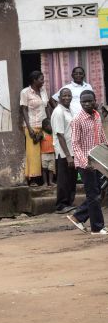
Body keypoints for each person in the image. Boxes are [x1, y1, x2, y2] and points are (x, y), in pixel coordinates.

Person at [66, 90, 107, 235]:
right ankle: (97, 227)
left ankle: (78, 217)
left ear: (95, 100)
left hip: (97, 161)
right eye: (84, 102)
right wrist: (85, 162)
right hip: (85, 164)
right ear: (80, 103)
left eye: (90, 101)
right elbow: (75, 145)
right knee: (93, 194)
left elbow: (102, 138)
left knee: (99, 192)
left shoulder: (96, 115)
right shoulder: (77, 120)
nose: (87, 104)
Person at [19, 70, 50, 186]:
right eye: (41, 79)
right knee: (33, 153)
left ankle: (46, 179)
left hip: (44, 126)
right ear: (34, 80)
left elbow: (46, 106)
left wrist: (49, 122)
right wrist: (29, 127)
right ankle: (33, 179)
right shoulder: (25, 92)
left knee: (46, 152)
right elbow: (24, 110)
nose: (43, 81)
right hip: (32, 125)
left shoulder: (43, 91)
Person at [51, 88, 77, 213]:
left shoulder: (69, 110)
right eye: (64, 96)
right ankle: (61, 205)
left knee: (71, 179)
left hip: (72, 150)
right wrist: (68, 156)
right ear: (59, 98)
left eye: (69, 95)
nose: (67, 98)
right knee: (64, 179)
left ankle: (69, 203)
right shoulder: (58, 112)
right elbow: (60, 135)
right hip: (64, 152)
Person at [40, 118, 55, 187]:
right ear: (45, 126)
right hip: (44, 154)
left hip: (52, 154)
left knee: (51, 169)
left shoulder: (52, 133)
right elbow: (36, 140)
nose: (51, 126)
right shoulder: (42, 134)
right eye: (50, 125)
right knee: (44, 169)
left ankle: (50, 182)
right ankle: (45, 182)